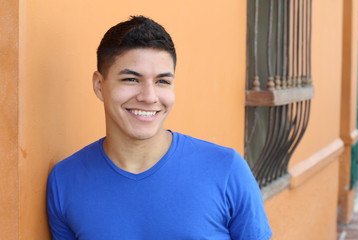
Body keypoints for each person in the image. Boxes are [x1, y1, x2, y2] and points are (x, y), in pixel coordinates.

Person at [46, 16, 272, 240]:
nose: (149, 97)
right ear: (99, 85)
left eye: (162, 81)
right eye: (131, 80)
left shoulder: (226, 169)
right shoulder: (65, 180)